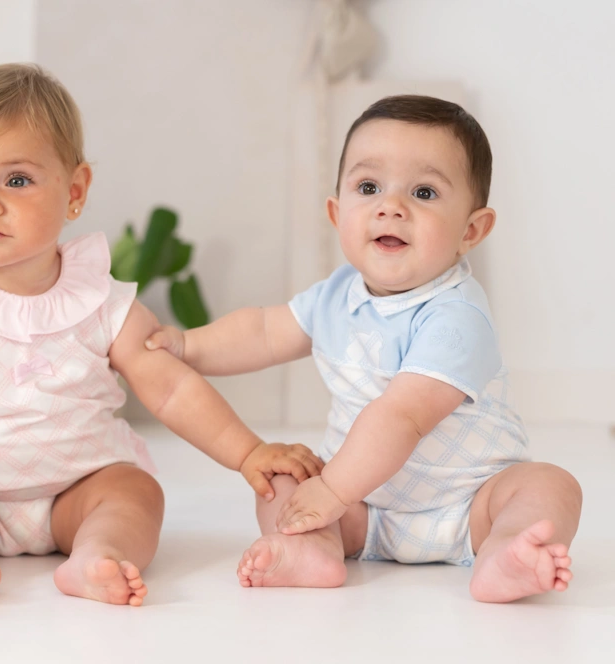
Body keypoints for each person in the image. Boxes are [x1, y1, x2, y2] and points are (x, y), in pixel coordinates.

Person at [0, 63, 323, 615]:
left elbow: (171, 390)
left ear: (75, 191)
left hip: (79, 490)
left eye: (16, 179)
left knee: (136, 493)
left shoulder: (103, 299)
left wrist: (248, 451)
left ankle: (96, 554)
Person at [146, 95, 583, 603]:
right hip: (362, 511)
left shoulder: (457, 316)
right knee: (281, 480)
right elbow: (263, 333)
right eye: (369, 187)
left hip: (469, 505)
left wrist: (332, 492)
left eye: (423, 191)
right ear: (337, 213)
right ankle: (315, 549)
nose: (391, 206)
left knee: (550, 486)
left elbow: (401, 417)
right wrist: (185, 345)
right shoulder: (336, 295)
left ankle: (506, 552)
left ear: (471, 230)